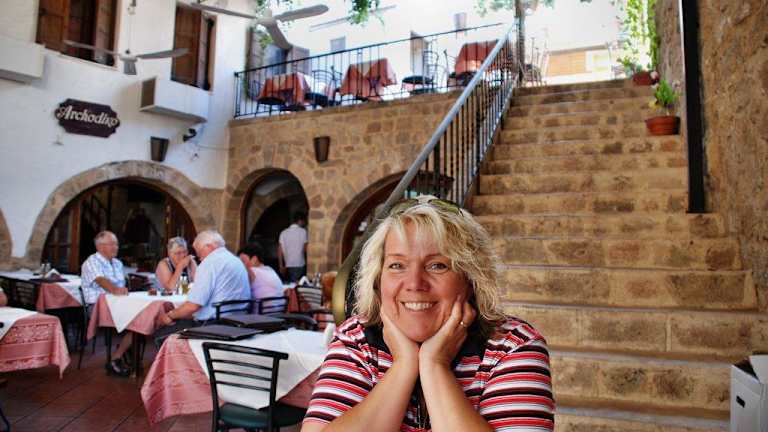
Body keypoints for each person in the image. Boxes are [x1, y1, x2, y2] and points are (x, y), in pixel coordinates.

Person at [302, 196, 554, 431]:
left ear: (470, 279)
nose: (414, 283)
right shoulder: (356, 339)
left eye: (437, 265)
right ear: (378, 280)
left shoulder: (512, 346)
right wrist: (404, 365)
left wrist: (435, 365)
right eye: (397, 265)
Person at [159, 230, 250, 327]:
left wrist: (170, 315)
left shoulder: (209, 263)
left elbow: (193, 306)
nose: (199, 257)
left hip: (213, 324)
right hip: (238, 319)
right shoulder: (235, 260)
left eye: (199, 252)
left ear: (209, 246)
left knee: (160, 332)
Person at [81, 231, 134, 377]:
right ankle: (120, 355)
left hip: (117, 305)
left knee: (143, 318)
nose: (116, 247)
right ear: (100, 247)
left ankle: (119, 354)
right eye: (112, 244)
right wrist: (115, 290)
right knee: (138, 321)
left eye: (116, 244)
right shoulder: (91, 262)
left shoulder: (117, 263)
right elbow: (101, 280)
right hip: (97, 307)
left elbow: (121, 287)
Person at [278, 212, 308, 282]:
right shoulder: (303, 231)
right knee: (298, 285)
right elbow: (305, 249)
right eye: (304, 222)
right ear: (300, 221)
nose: (304, 224)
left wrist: (281, 265)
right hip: (300, 264)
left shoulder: (283, 232)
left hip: (288, 265)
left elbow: (279, 251)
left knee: (290, 284)